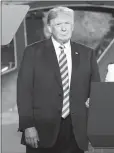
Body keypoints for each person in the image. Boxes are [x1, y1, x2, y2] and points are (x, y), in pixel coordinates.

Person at [17, 6, 100, 153]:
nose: (63, 28)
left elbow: (96, 93)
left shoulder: (87, 54)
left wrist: (94, 131)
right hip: (41, 131)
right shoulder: (33, 52)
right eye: (58, 24)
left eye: (67, 24)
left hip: (76, 133)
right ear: (49, 27)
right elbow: (24, 92)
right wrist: (27, 125)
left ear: (73, 26)